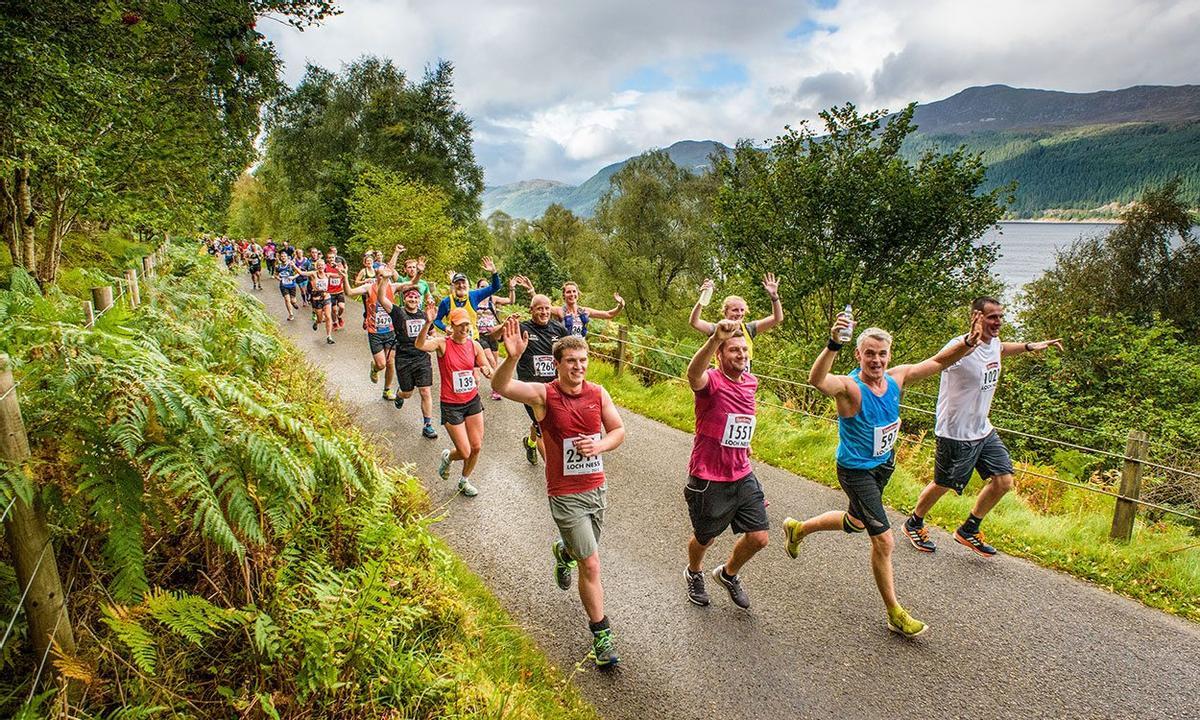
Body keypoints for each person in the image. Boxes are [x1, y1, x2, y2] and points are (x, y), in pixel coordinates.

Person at [781, 312, 984, 638]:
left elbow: (938, 362)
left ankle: (798, 529)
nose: (876, 360)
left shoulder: (896, 378)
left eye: (882, 353)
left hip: (882, 467)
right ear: (858, 355)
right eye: (870, 353)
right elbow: (818, 380)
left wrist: (968, 342)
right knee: (884, 540)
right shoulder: (850, 388)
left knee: (856, 522)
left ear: (889, 355)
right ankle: (895, 613)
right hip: (855, 472)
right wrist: (833, 342)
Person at [492, 317, 627, 668]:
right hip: (565, 494)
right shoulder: (543, 395)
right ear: (558, 364)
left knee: (584, 552)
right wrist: (511, 358)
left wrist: (599, 448)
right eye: (571, 361)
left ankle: (563, 551)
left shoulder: (599, 393)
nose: (578, 367)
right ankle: (602, 635)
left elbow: (618, 431)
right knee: (592, 563)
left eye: (583, 360)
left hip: (596, 489)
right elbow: (502, 386)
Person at [901, 298, 1063, 556]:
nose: (998, 322)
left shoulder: (994, 342)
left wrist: (1030, 346)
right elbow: (939, 361)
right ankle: (914, 522)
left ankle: (969, 529)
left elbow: (1001, 349)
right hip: (955, 431)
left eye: (1000, 316)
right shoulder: (960, 346)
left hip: (983, 429)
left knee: (1003, 480)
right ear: (977, 316)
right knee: (944, 484)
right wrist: (968, 342)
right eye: (992, 317)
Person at [682, 319, 769, 610]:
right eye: (734, 350)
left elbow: (739, 419)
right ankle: (694, 572)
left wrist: (744, 442)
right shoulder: (711, 381)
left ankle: (728, 574)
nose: (741, 354)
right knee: (704, 537)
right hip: (709, 474)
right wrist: (713, 340)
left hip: (742, 471)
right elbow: (693, 374)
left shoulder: (751, 382)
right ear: (720, 354)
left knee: (759, 537)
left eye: (744, 349)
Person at [415, 305, 493, 496]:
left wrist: (486, 370)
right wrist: (428, 323)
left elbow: (488, 368)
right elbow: (420, 345)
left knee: (476, 447)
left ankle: (464, 481)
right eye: (460, 325)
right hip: (451, 404)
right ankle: (448, 457)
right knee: (464, 451)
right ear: (452, 325)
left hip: (472, 400)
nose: (464, 329)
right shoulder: (442, 343)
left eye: (467, 325)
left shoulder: (474, 345)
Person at [489, 293, 570, 466]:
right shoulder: (522, 328)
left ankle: (531, 442)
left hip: (552, 388)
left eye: (547, 308)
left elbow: (569, 353)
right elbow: (493, 337)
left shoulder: (559, 329)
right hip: (530, 389)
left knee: (543, 421)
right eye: (540, 308)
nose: (544, 312)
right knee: (543, 426)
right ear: (531, 310)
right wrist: (504, 325)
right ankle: (553, 471)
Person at [379, 281, 439, 439]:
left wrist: (432, 340)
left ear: (419, 299)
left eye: (416, 297)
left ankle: (427, 425)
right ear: (404, 299)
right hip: (404, 358)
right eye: (410, 297)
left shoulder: (424, 314)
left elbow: (433, 334)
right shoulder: (398, 312)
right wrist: (385, 280)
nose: (413, 299)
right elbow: (381, 298)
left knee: (425, 391)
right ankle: (399, 394)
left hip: (422, 357)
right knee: (407, 393)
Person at [689, 274, 783, 371]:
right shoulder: (717, 329)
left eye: (742, 310)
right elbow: (694, 322)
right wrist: (703, 299)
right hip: (722, 380)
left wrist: (774, 297)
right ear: (725, 312)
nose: (739, 313)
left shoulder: (749, 329)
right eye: (735, 310)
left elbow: (777, 318)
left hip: (744, 381)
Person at [476, 274, 530, 399]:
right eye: (481, 287)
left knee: (495, 362)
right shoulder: (475, 299)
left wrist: (512, 288)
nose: (484, 289)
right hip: (480, 335)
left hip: (493, 334)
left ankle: (496, 387)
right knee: (489, 359)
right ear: (478, 288)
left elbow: (510, 301)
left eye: (486, 286)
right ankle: (495, 388)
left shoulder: (492, 299)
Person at [434, 257, 501, 337]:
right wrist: (445, 328)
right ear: (453, 286)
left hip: (472, 340)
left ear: (468, 284)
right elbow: (437, 320)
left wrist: (494, 272)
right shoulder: (446, 302)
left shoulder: (474, 295)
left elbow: (495, 287)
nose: (461, 285)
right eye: (458, 283)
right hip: (454, 340)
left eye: (463, 282)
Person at [550, 282, 624, 337]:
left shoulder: (585, 311)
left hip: (580, 349)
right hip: (565, 349)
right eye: (568, 292)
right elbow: (541, 305)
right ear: (564, 295)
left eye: (574, 291)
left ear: (578, 294)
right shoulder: (559, 311)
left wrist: (620, 306)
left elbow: (609, 314)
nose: (572, 294)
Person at [297, 259, 336, 344]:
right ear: (316, 266)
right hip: (316, 299)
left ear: (325, 266)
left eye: (322, 265)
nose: (320, 266)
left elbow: (340, 275)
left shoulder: (327, 275)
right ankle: (316, 322)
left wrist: (336, 267)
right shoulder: (313, 274)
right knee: (320, 319)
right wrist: (293, 266)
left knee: (328, 317)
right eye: (319, 265)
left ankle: (329, 336)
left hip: (326, 297)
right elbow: (301, 273)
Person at [325, 249, 348, 331]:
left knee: (342, 307)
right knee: (334, 309)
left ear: (335, 257)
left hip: (339, 290)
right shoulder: (325, 267)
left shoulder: (339, 265)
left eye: (332, 257)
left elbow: (344, 274)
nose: (331, 259)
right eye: (329, 258)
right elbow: (323, 276)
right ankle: (335, 322)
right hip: (330, 292)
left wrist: (332, 274)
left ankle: (339, 317)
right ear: (327, 259)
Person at [275, 254, 301, 321]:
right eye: (282, 256)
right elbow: (276, 275)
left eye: (284, 256)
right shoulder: (278, 266)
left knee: (293, 300)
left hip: (292, 285)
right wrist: (279, 279)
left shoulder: (291, 265)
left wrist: (293, 277)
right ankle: (291, 314)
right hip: (283, 285)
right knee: (287, 299)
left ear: (287, 257)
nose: (283, 257)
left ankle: (293, 303)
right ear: (280, 258)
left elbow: (299, 272)